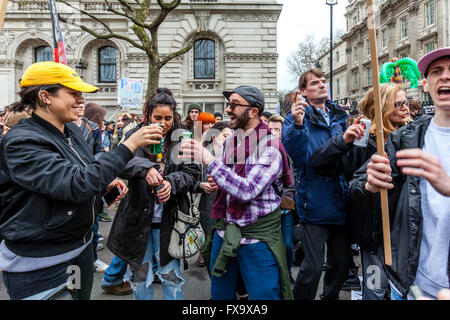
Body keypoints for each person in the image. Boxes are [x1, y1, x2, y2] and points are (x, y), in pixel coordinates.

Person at [0, 61, 162, 300]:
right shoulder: (22, 141)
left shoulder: (70, 131)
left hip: (80, 252)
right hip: (41, 264)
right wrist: (128, 146)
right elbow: (75, 184)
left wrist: (104, 187)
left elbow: (80, 173)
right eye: (73, 93)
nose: (80, 100)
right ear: (45, 96)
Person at [349, 47, 450, 300]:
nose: (446, 77)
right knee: (374, 289)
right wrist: (370, 185)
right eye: (437, 71)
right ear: (425, 84)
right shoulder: (405, 138)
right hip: (410, 282)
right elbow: (356, 186)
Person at [180, 85, 293, 300]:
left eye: (234, 104)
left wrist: (209, 160)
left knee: (263, 297)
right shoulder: (232, 141)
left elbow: (247, 189)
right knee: (220, 295)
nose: (228, 108)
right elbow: (229, 179)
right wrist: (218, 182)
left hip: (258, 239)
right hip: (226, 232)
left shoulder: (271, 147)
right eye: (228, 104)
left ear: (253, 111)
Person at [310, 83, 409, 300]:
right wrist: (342, 141)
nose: (406, 108)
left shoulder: (412, 137)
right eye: (399, 103)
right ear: (383, 107)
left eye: (406, 102)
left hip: (406, 234)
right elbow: (319, 164)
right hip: (374, 237)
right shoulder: (363, 142)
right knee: (375, 290)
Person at [107, 88, 201, 300]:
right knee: (140, 277)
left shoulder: (182, 139)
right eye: (157, 117)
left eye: (168, 118)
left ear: (174, 116)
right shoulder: (135, 135)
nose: (163, 123)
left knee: (171, 276)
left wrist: (171, 182)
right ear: (148, 115)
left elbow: (193, 173)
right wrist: (145, 168)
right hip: (137, 220)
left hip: (169, 222)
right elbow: (119, 163)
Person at [281, 68, 350, 300]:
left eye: (323, 81)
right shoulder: (295, 118)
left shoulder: (339, 117)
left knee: (340, 264)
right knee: (311, 267)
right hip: (315, 201)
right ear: (303, 92)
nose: (322, 85)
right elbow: (299, 158)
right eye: (314, 83)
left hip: (340, 200)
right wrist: (299, 125)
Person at [268, 114, 296, 282]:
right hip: (267, 209)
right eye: (270, 129)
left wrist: (286, 199)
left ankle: (287, 273)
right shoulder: (259, 150)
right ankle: (274, 275)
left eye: (277, 129)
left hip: (285, 207)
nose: (273, 132)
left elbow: (292, 179)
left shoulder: (288, 151)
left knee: (287, 243)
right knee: (270, 245)